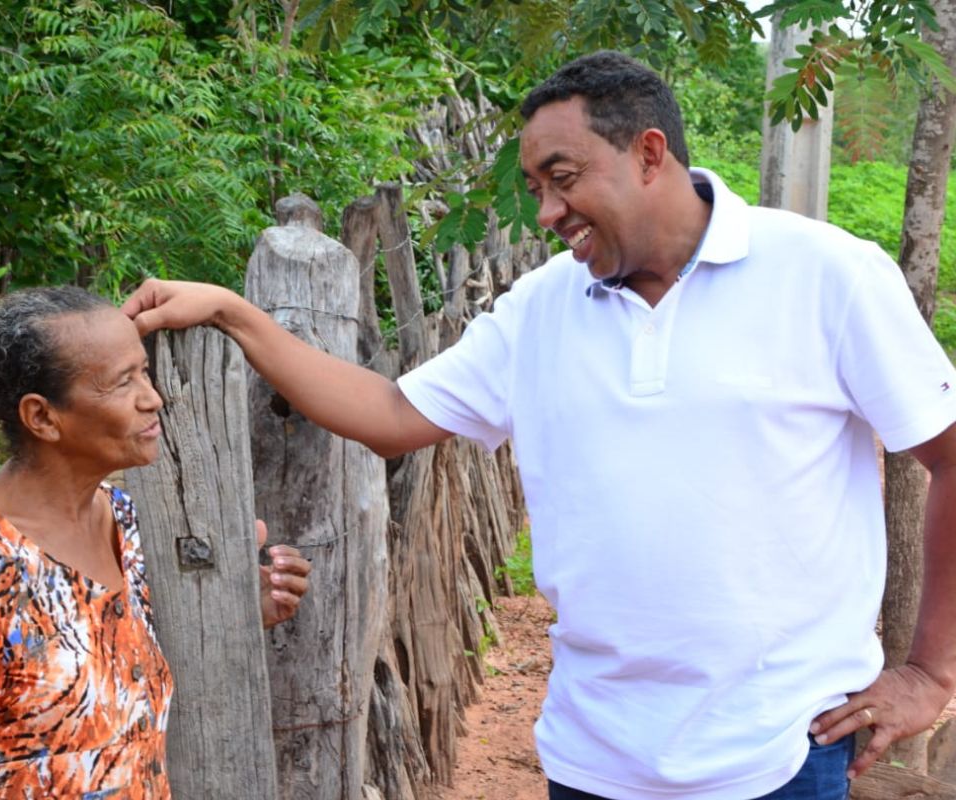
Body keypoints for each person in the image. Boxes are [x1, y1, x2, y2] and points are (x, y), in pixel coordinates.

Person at [120, 50, 956, 800]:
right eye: (537, 189)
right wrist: (235, 315)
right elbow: (390, 414)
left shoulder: (826, 276)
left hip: (778, 757)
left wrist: (929, 671)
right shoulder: (543, 308)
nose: (548, 211)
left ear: (649, 154)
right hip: (592, 756)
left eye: (564, 178)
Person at [0, 286, 311, 800]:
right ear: (42, 417)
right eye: (122, 382)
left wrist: (238, 609)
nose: (152, 398)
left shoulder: (128, 521)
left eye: (144, 372)